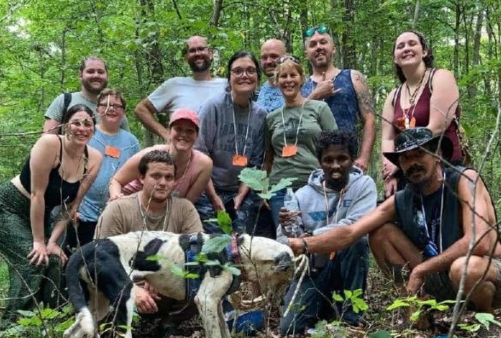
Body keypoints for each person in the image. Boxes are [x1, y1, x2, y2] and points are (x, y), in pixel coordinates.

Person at [286, 128, 501, 314]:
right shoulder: (403, 198)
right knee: (380, 233)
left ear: (438, 154)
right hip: (440, 276)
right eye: (406, 158)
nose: (413, 163)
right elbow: (350, 232)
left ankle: (485, 319)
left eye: (420, 154)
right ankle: (417, 309)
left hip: (487, 272)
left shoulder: (464, 179)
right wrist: (304, 245)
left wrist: (420, 269)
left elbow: (480, 242)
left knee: (464, 268)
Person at [0, 104, 103, 327]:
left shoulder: (94, 158)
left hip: (42, 215)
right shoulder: (50, 144)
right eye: (76, 122)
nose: (82, 128)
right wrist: (39, 242)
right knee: (34, 259)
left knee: (56, 260)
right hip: (8, 206)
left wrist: (52, 242)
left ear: (94, 130)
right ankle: (12, 326)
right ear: (65, 126)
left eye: (88, 123)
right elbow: (37, 195)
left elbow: (71, 207)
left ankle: (50, 324)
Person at [277, 131, 376, 336]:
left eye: (342, 159)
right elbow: (285, 240)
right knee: (289, 328)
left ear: (352, 159)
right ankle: (322, 313)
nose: (335, 166)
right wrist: (287, 229)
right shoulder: (302, 195)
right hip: (314, 270)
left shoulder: (364, 185)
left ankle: (351, 317)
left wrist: (310, 236)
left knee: (357, 241)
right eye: (328, 160)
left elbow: (353, 225)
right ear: (320, 162)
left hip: (345, 265)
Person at [95, 150, 203, 332]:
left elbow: (198, 253)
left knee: (201, 278)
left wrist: (159, 275)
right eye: (156, 176)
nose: (162, 183)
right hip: (124, 285)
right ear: (141, 178)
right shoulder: (118, 209)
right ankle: (120, 328)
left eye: (169, 177)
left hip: (169, 285)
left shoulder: (185, 209)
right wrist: (133, 288)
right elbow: (99, 259)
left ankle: (169, 325)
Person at [381, 30, 463, 197]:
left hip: (444, 167)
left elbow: (438, 126)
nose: (406, 49)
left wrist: (401, 159)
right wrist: (390, 172)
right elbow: (388, 138)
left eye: (412, 44)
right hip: (408, 172)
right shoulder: (393, 96)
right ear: (395, 58)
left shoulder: (440, 77)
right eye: (400, 46)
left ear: (424, 52)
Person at [195, 51, 267, 234]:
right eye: (238, 71)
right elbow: (199, 154)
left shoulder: (260, 115)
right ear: (229, 78)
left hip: (242, 188)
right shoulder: (213, 107)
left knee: (241, 243)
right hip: (209, 186)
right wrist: (213, 196)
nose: (244, 75)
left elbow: (255, 162)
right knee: (215, 241)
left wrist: (241, 195)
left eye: (250, 70)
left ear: (258, 77)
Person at [63, 89, 141, 255]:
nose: (110, 109)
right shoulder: (86, 133)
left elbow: (140, 175)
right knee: (79, 261)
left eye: (116, 105)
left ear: (123, 112)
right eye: (105, 105)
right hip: (83, 214)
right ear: (97, 109)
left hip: (118, 215)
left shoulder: (131, 141)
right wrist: (71, 208)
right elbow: (68, 171)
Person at [265, 56, 338, 228]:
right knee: (287, 240)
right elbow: (268, 158)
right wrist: (264, 191)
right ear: (276, 81)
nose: (288, 80)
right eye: (283, 76)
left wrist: (334, 181)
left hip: (314, 184)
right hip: (280, 189)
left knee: (318, 236)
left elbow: (335, 148)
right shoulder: (271, 118)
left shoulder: (319, 108)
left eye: (293, 75)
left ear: (302, 79)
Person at [300, 26, 376, 173]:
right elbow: (295, 120)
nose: (319, 47)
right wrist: (315, 95)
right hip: (311, 166)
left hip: (347, 161)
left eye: (323, 42)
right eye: (313, 44)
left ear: (333, 48)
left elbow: (370, 119)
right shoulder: (300, 85)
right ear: (306, 53)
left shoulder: (353, 77)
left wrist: (364, 158)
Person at [108, 109, 212, 203]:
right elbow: (116, 181)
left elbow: (186, 206)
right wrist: (116, 199)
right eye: (178, 129)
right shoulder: (149, 155)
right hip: (129, 205)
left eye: (190, 131)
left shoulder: (203, 165)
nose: (184, 134)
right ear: (169, 131)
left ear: (197, 135)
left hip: (161, 214)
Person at [134, 36, 227, 141]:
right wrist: (165, 133)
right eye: (192, 50)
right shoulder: (174, 85)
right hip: (182, 153)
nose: (197, 53)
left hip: (219, 153)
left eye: (201, 49)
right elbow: (141, 109)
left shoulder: (227, 86)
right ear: (186, 57)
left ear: (210, 53)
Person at [43, 56, 129, 133]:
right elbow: (46, 141)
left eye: (101, 72)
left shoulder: (116, 110)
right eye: (90, 71)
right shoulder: (65, 101)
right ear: (80, 75)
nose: (96, 75)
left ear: (107, 75)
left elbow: (126, 145)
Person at [257, 38, 287, 113]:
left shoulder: (298, 87)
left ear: (285, 58)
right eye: (264, 58)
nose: (268, 61)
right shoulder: (260, 91)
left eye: (274, 56)